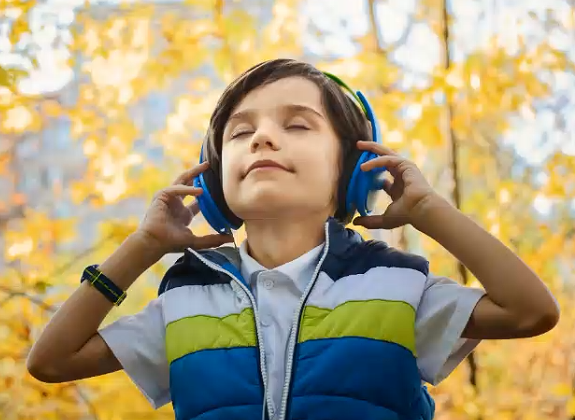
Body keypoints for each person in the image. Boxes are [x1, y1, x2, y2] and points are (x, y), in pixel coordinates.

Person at [27, 58, 560, 420]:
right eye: (240, 132)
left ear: (355, 170)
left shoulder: (396, 288)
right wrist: (142, 246)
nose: (262, 137)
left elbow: (530, 311)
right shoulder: (184, 303)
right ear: (213, 182)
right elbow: (51, 361)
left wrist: (428, 212)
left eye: (298, 126)